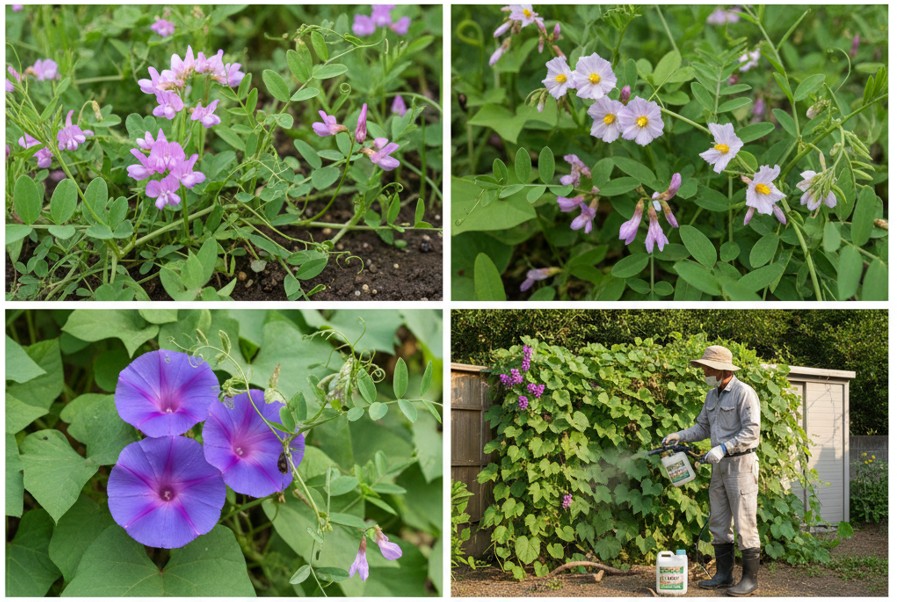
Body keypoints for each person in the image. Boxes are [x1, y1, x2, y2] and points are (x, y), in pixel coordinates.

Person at [663, 345, 761, 597]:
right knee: (718, 521)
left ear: (721, 369)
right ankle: (723, 575)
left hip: (741, 464)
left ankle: (749, 580)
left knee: (744, 523)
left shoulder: (744, 393)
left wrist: (724, 448)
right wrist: (679, 436)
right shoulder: (711, 396)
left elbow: (752, 431)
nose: (704, 371)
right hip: (719, 466)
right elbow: (702, 428)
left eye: (707, 367)